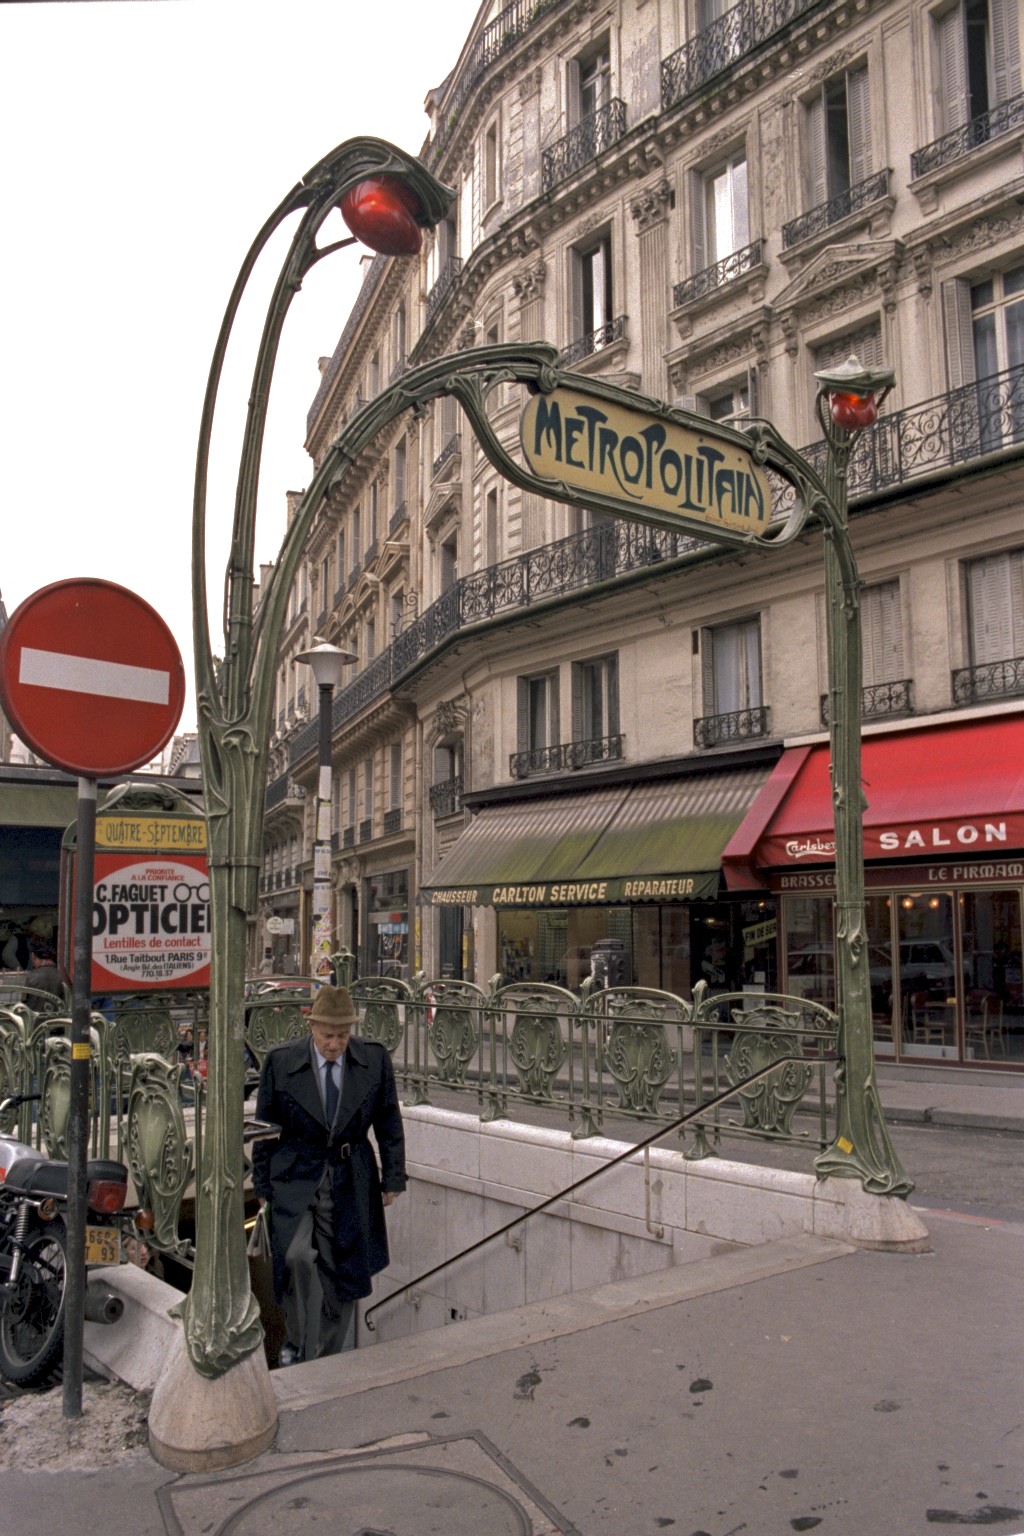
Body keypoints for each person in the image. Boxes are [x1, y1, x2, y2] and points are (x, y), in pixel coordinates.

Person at [251, 983, 406, 1364]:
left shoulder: (373, 1060)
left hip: (350, 1175)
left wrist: (393, 1178)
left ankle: (326, 1355)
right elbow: (264, 1128)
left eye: (342, 1035)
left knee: (342, 1270)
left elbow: (388, 1120)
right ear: (312, 1026)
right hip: (296, 1173)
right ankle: (297, 1340)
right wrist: (261, 1182)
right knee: (296, 1256)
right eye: (327, 1035)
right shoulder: (281, 1062)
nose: (335, 1044)